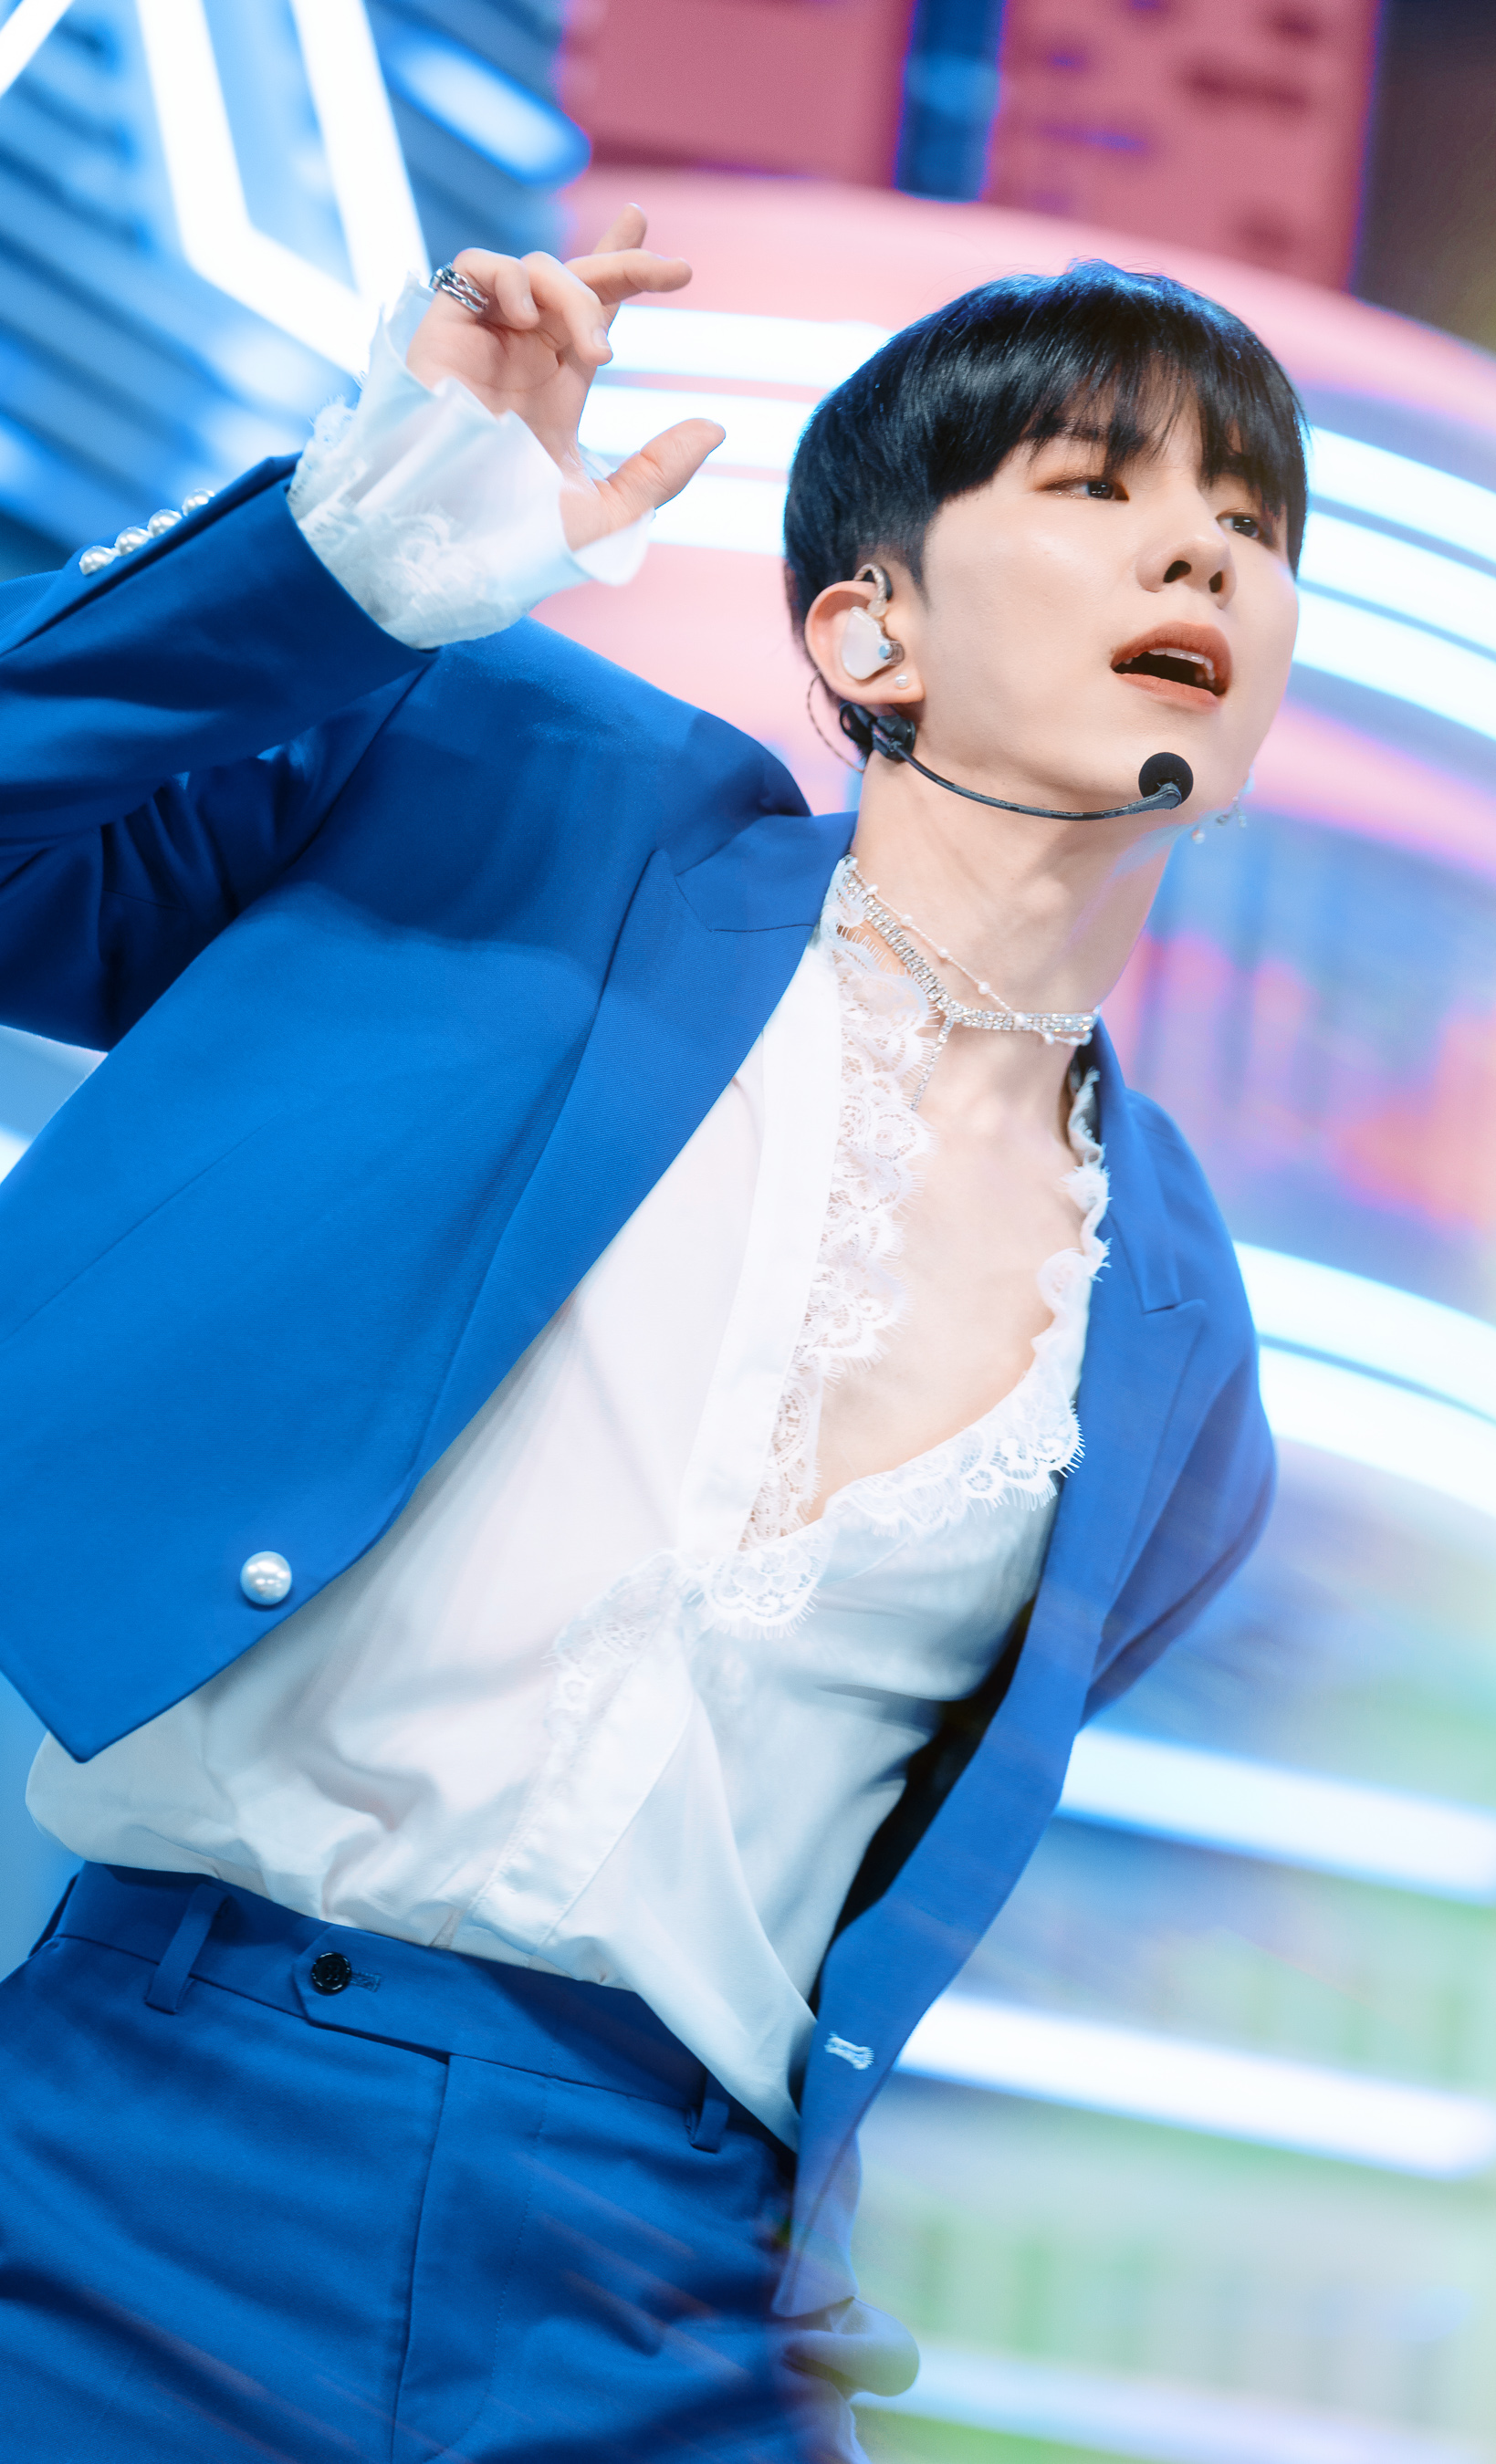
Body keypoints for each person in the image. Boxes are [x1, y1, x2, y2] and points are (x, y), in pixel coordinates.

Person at [0, 206, 1299, 2461]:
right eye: (1097, 488)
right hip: (140, 2166)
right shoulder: (532, 808)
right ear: (868, 628)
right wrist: (357, 557)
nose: (1200, 551)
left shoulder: (1185, 1335)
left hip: (659, 2304)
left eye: (1252, 526)